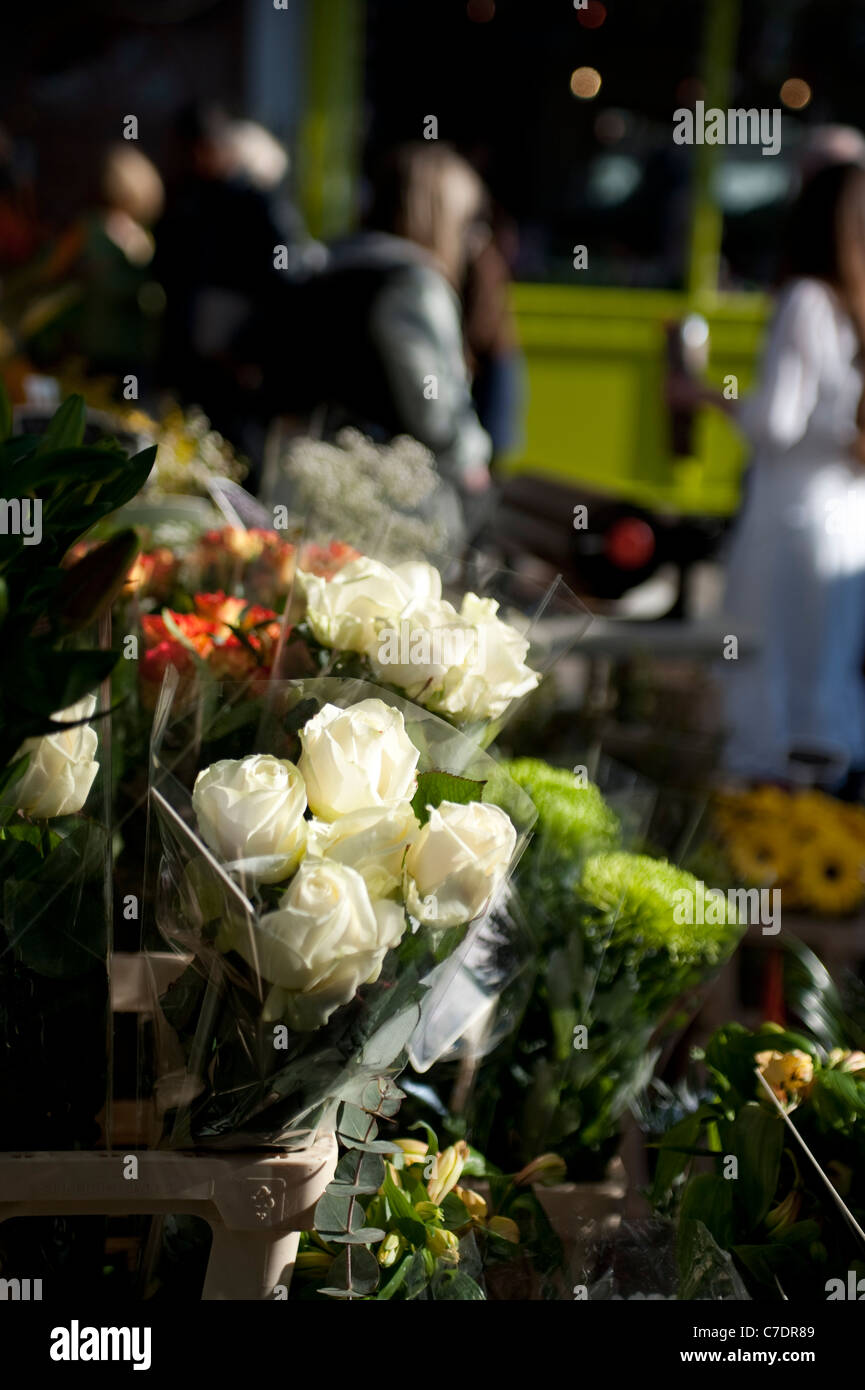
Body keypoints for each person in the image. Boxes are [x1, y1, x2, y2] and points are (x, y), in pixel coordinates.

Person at [672, 163, 865, 789]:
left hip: (791, 517)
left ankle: (764, 851)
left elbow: (776, 423)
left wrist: (707, 397)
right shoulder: (852, 305)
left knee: (765, 673)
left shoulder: (806, 299)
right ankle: (818, 848)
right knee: (825, 677)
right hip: (847, 517)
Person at [268, 143, 493, 535]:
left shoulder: (327, 263)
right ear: (440, 216)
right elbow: (434, 412)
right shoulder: (413, 282)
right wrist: (471, 457)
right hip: (389, 514)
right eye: (469, 222)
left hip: (302, 490)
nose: (474, 239)